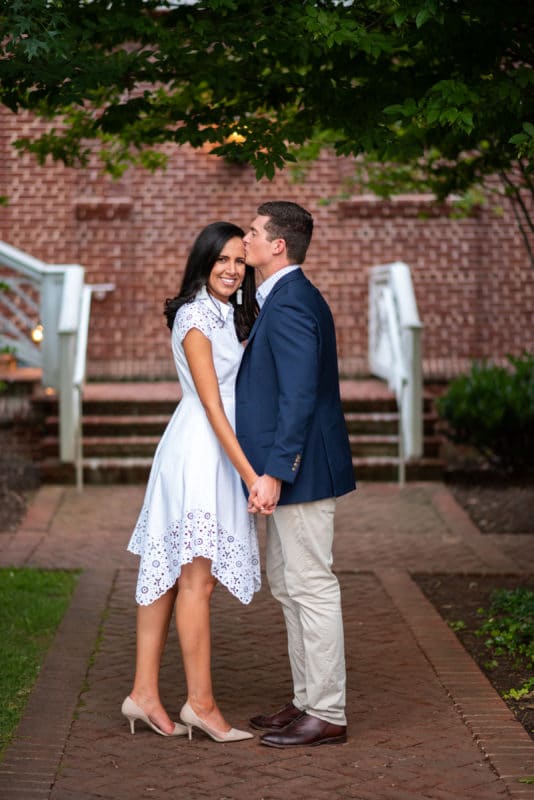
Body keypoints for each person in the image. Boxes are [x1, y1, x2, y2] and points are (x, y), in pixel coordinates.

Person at [123, 221, 262, 744]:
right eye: (222, 260)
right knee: (196, 580)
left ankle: (143, 692)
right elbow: (209, 402)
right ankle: (200, 704)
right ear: (203, 263)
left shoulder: (230, 312)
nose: (231, 269)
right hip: (201, 450)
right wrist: (250, 473)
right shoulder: (194, 315)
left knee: (176, 573)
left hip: (216, 449)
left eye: (238, 261)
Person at [235, 200, 356, 748]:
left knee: (310, 586)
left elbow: (300, 395)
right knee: (289, 585)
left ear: (277, 245)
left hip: (300, 473)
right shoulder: (282, 298)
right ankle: (307, 700)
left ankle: (327, 711)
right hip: (291, 473)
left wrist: (277, 471)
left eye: (254, 232)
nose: (247, 238)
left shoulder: (288, 304)